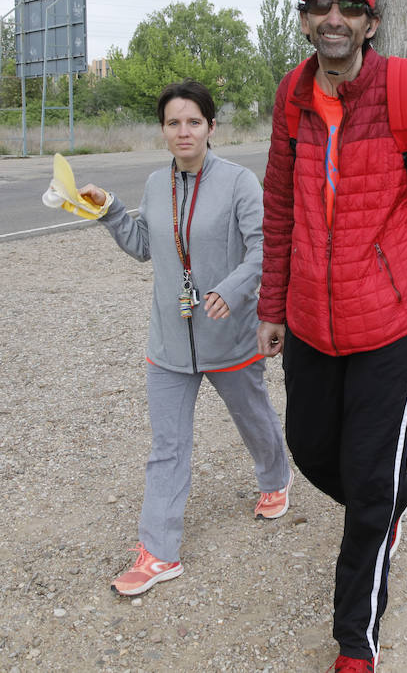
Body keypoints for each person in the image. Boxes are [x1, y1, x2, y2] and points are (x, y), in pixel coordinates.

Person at [256, 0, 407, 673]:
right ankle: (393, 497)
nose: (334, 18)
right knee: (311, 450)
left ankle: (356, 643)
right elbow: (279, 207)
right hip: (309, 321)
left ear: (370, 24)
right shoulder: (292, 94)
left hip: (389, 322)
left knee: (368, 485)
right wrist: (272, 306)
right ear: (305, 20)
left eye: (348, 7)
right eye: (320, 5)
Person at [78, 81, 292, 598]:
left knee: (254, 417)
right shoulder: (156, 184)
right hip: (169, 342)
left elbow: (264, 248)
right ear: (163, 130)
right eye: (173, 123)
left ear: (211, 127)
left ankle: (275, 478)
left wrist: (231, 290)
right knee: (167, 447)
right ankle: (158, 552)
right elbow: (144, 246)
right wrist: (110, 209)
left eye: (193, 121)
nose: (183, 132)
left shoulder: (239, 182)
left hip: (230, 336)